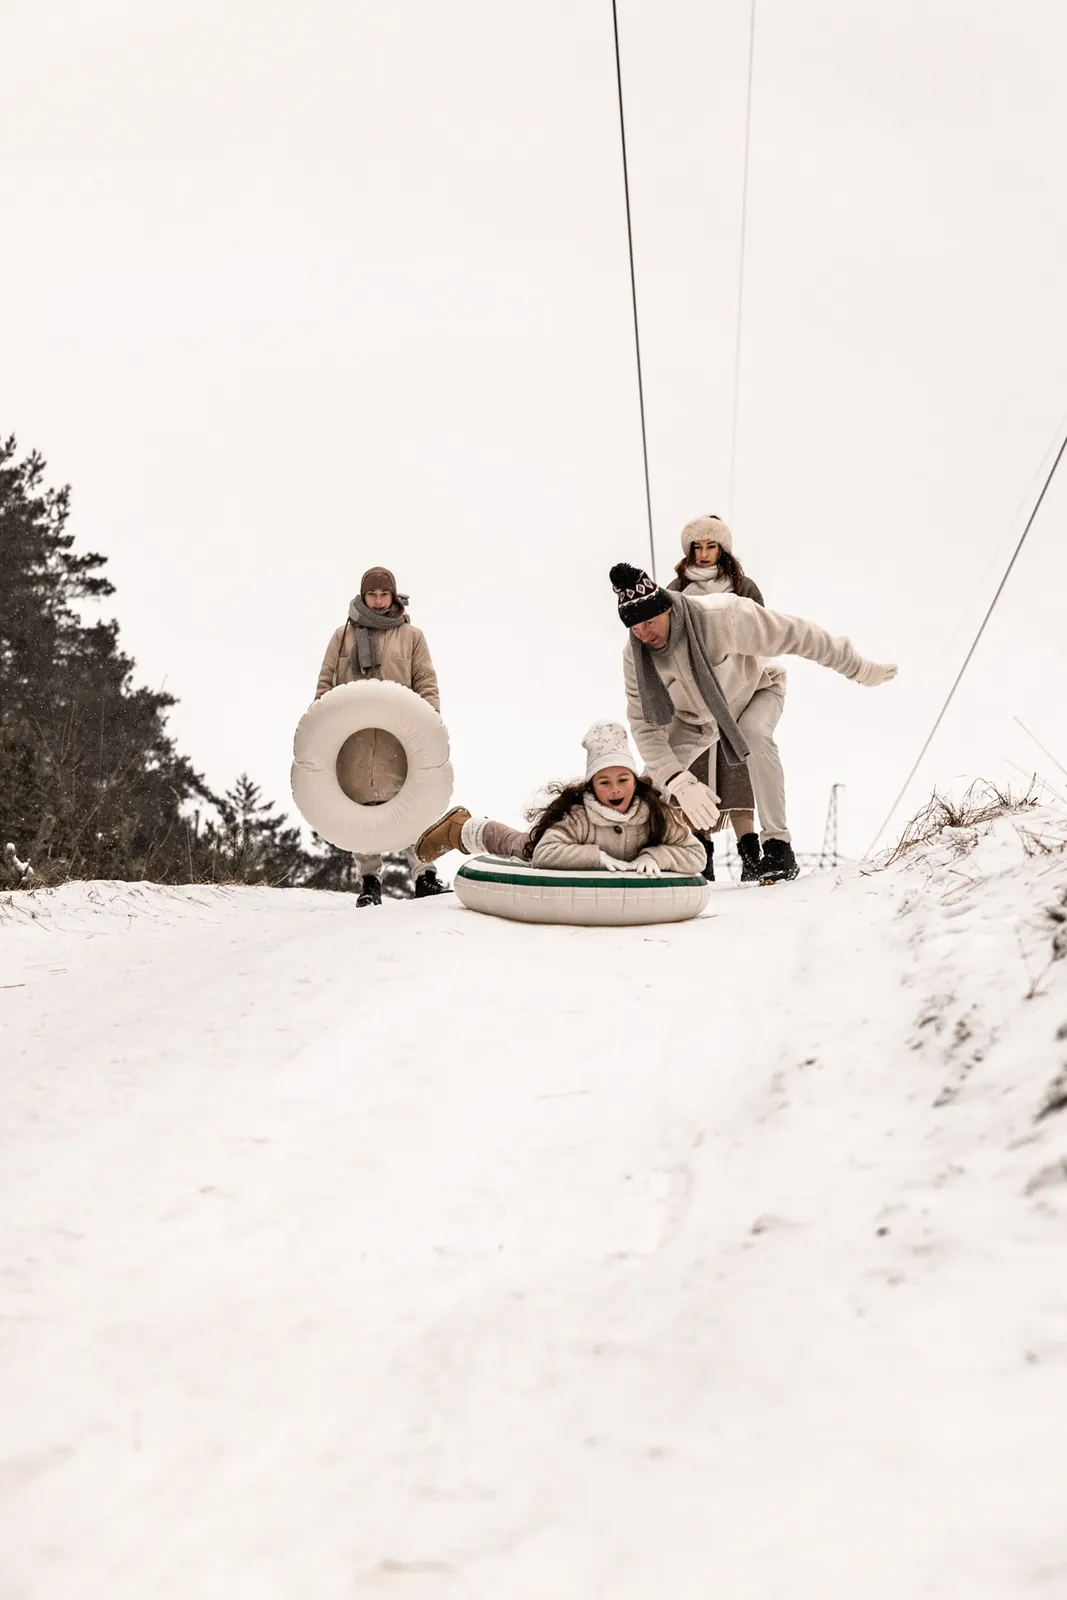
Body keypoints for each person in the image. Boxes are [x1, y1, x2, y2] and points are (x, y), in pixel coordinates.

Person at [610, 561, 897, 884]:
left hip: (756, 692)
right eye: (635, 628)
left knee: (754, 734)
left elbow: (800, 635)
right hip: (695, 721)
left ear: (666, 608)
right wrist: (678, 781)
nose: (644, 634)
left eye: (649, 622)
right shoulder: (635, 655)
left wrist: (857, 668)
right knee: (651, 782)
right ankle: (624, 850)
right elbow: (644, 725)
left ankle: (778, 846)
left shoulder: (723, 618)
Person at [315, 566, 449, 907]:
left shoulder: (412, 636)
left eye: (383, 594)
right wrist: (319, 724)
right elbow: (326, 681)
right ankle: (370, 881)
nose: (377, 601)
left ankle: (425, 875)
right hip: (354, 740)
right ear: (363, 597)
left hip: (400, 740)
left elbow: (426, 682)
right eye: (371, 595)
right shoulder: (342, 636)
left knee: (412, 803)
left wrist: (430, 725)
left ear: (393, 596)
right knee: (362, 806)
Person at [415, 721, 705, 876]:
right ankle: (462, 829)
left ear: (635, 781)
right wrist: (597, 857)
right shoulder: (581, 815)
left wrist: (656, 855)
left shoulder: (655, 814)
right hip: (567, 846)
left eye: (623, 780)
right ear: (591, 786)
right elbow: (545, 853)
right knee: (520, 845)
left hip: (627, 857)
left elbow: (695, 855)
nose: (615, 790)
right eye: (604, 782)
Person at [667, 514, 767, 882]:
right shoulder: (676, 588)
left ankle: (750, 854)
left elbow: (761, 630)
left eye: (711, 546)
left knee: (736, 770)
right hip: (692, 693)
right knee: (694, 769)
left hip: (735, 688)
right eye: (698, 546)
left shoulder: (742, 587)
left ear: (722, 548)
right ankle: (700, 852)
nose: (705, 553)